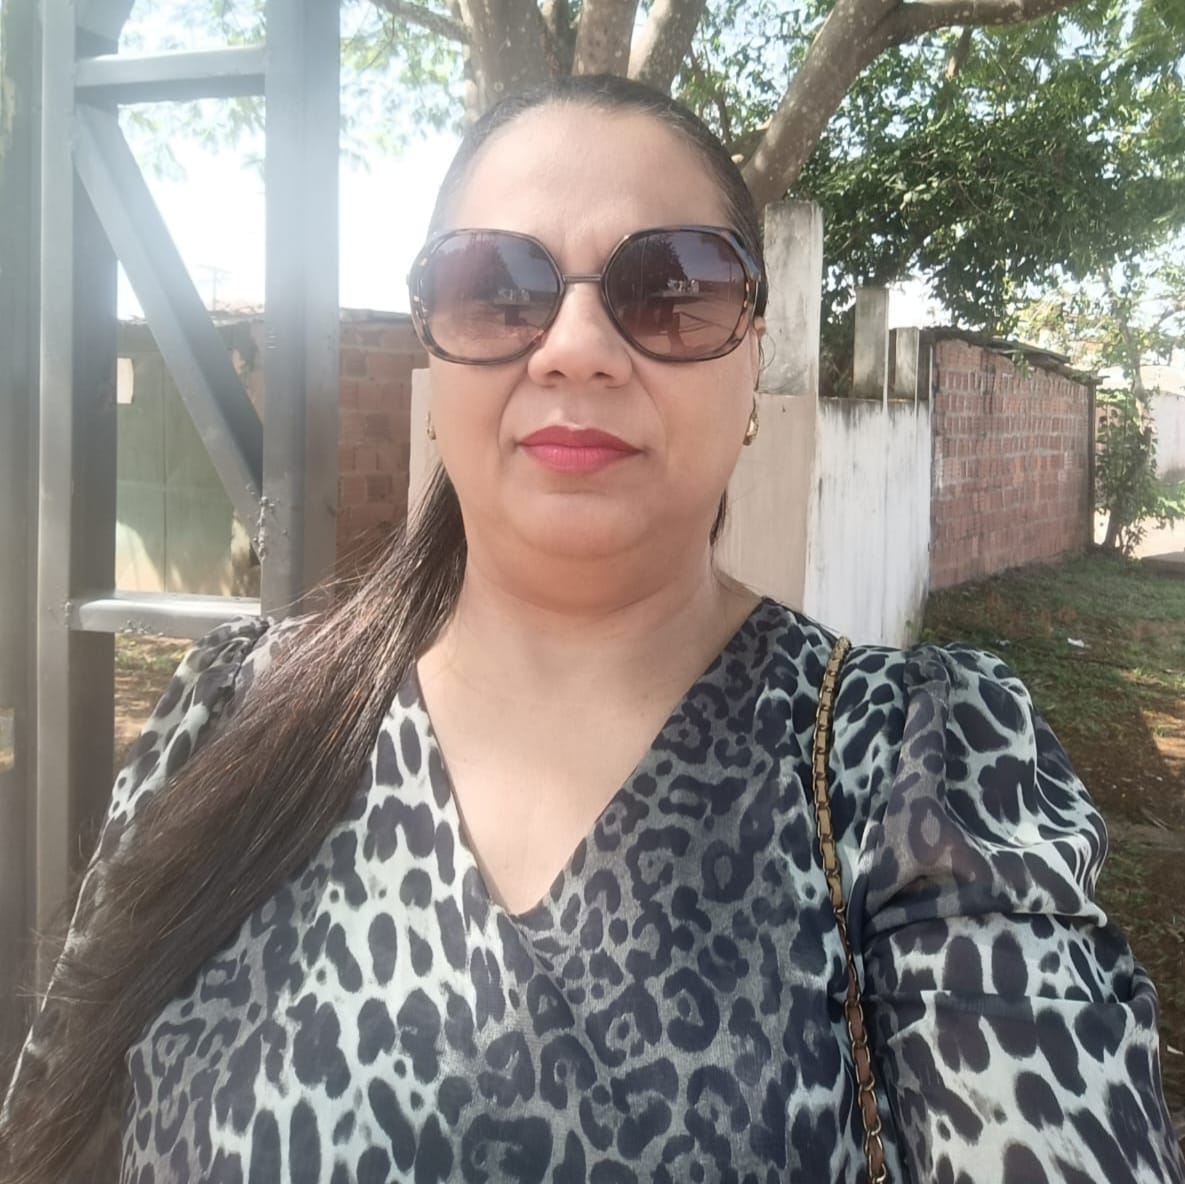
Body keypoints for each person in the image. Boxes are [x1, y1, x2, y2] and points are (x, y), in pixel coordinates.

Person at [2, 73, 1182, 1184]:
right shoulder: (233, 715)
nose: (572, 347)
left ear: (754, 357)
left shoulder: (912, 770)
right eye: (495, 287)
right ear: (434, 348)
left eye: (670, 287)